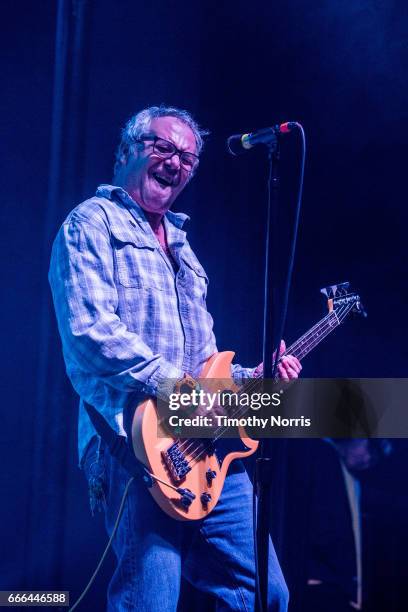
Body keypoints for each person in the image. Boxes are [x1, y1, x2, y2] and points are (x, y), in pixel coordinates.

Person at [49, 105, 301, 611]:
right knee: (152, 599)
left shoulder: (185, 250)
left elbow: (206, 365)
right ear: (126, 151)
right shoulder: (91, 224)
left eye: (188, 157)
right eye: (163, 148)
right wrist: (179, 389)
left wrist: (256, 375)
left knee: (265, 594)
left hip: (203, 447)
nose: (177, 162)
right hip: (131, 438)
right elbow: (90, 333)